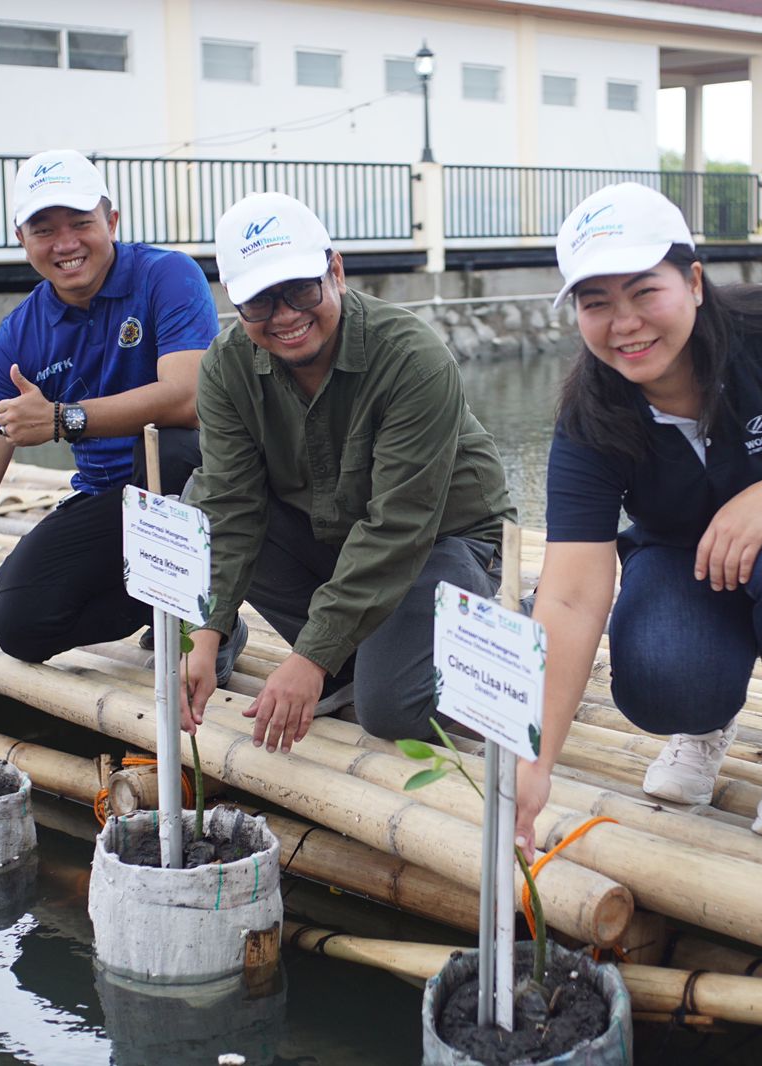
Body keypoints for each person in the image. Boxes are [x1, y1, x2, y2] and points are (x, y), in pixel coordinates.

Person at [514, 182, 762, 854]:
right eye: (596, 303)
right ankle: (703, 728)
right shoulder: (590, 416)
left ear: (694, 281)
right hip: (685, 562)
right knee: (661, 679)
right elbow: (570, 594)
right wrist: (536, 760)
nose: (626, 323)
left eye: (646, 292)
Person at [180, 192, 516, 754]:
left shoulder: (412, 358)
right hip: (335, 536)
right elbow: (230, 507)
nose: (285, 316)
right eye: (260, 303)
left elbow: (399, 526)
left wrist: (309, 656)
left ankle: (505, 623)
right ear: (236, 305)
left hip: (444, 538)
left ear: (335, 270)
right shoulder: (224, 368)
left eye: (300, 290)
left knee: (391, 709)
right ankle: (352, 659)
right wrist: (205, 632)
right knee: (200, 493)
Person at [0, 148, 243, 677]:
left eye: (80, 223)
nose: (65, 244)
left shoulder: (167, 275)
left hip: (192, 483)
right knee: (19, 621)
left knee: (174, 449)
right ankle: (165, 600)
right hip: (104, 498)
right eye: (43, 229)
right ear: (22, 241)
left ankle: (206, 617)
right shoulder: (20, 333)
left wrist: (65, 419)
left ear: (111, 221)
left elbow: (189, 398)